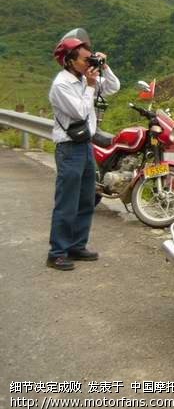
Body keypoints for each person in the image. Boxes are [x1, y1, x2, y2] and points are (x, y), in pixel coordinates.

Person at [47, 36, 119, 271]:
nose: (90, 61)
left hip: (85, 145)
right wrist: (89, 85)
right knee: (67, 201)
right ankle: (57, 252)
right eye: (86, 58)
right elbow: (79, 112)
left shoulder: (83, 78)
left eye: (92, 57)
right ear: (69, 61)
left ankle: (77, 245)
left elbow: (113, 88)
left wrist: (104, 67)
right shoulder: (62, 85)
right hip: (69, 148)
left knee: (87, 198)